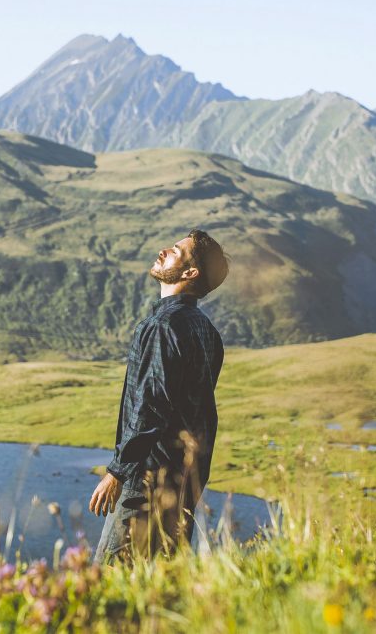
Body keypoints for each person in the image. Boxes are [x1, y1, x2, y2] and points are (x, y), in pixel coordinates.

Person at [90, 229, 229, 563]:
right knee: (161, 587)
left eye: (177, 250)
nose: (165, 249)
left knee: (109, 586)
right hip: (184, 484)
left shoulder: (163, 326)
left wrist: (118, 471)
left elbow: (150, 405)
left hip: (147, 482)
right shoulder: (205, 330)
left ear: (189, 273)